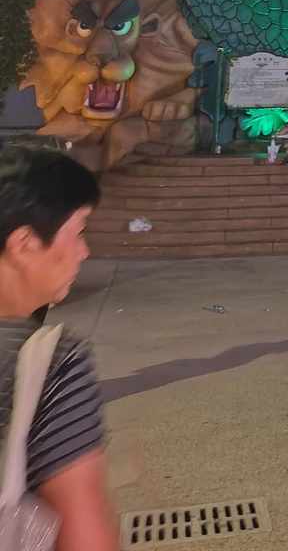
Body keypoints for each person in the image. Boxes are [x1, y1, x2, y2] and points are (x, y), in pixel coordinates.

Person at [0, 145, 118, 550]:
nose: (85, 251)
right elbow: (85, 538)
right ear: (25, 243)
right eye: (79, 231)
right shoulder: (48, 363)